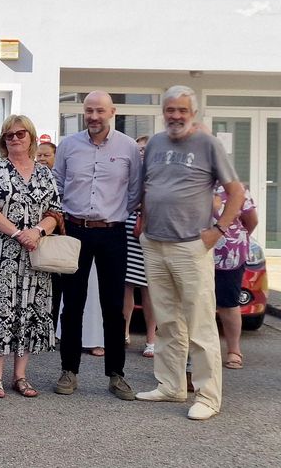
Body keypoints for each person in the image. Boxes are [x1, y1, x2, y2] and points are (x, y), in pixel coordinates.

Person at [134, 86, 244, 421]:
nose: (176, 116)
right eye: (170, 110)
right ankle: (171, 386)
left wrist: (218, 230)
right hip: (155, 243)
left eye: (182, 110)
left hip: (190, 246)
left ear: (193, 113)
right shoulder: (154, 143)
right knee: (167, 321)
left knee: (200, 325)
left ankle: (209, 397)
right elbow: (147, 185)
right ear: (163, 112)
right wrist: (143, 220)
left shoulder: (208, 144)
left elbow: (235, 192)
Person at [0, 115, 62, 400]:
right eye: (9, 135)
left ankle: (20, 375)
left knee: (29, 310)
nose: (15, 139)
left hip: (34, 253)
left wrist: (38, 231)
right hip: (0, 252)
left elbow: (55, 212)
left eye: (20, 134)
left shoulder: (45, 174)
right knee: (0, 309)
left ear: (30, 137)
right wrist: (19, 233)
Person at [52, 91, 141, 401]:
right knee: (72, 303)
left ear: (111, 112)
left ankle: (116, 375)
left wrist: (114, 215)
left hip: (113, 233)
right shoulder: (68, 146)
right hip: (75, 231)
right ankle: (69, 370)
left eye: (99, 111)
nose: (93, 116)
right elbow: (57, 184)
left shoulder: (128, 147)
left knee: (114, 307)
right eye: (89, 110)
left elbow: (134, 191)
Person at [212, 185, 256, 370]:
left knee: (228, 302)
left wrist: (232, 237)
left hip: (229, 254)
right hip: (194, 252)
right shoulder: (194, 181)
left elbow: (251, 221)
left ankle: (233, 350)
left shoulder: (236, 189)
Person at [124, 135, 156, 357]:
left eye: (145, 149)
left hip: (151, 231)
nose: (141, 152)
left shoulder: (158, 174)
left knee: (149, 288)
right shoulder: (129, 173)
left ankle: (151, 340)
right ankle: (123, 333)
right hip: (126, 228)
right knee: (125, 286)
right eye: (138, 149)